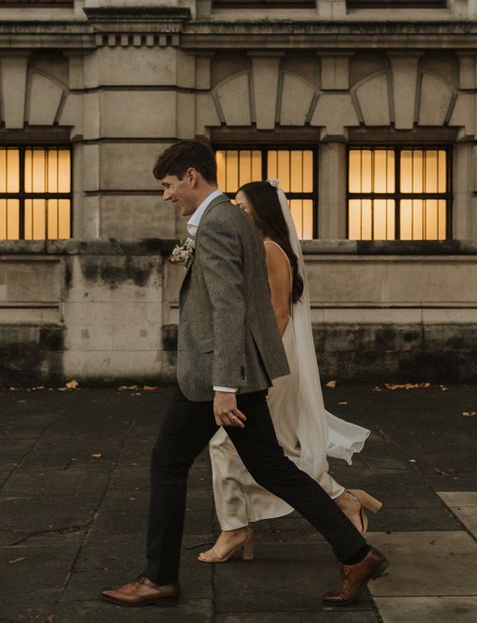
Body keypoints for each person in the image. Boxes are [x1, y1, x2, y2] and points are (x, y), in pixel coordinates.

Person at [101, 140, 388, 609]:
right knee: (272, 467)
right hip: (242, 369)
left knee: (167, 464)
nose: (166, 195)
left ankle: (159, 579)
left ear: (192, 176)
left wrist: (223, 388)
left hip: (216, 373)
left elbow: (230, 308)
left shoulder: (216, 224)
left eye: (169, 185)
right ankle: (357, 554)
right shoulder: (231, 219)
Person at [198, 180, 382, 565]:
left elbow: (279, 314)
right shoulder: (263, 248)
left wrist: (258, 370)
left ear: (263, 212)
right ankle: (245, 525)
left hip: (271, 365)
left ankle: (240, 527)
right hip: (268, 361)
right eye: (237, 206)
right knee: (263, 449)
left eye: (245, 207)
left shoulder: (269, 250)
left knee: (236, 444)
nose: (239, 212)